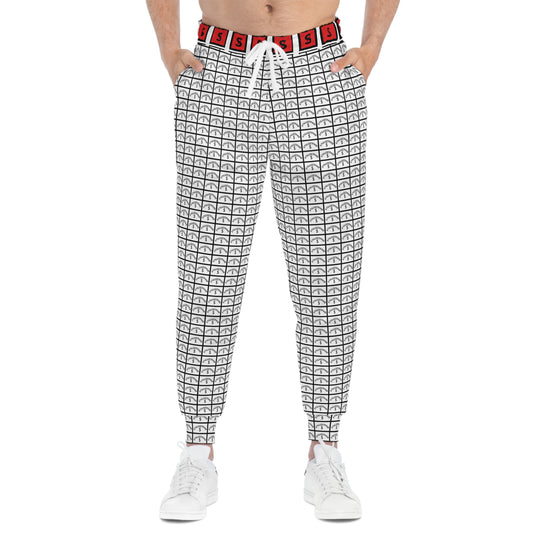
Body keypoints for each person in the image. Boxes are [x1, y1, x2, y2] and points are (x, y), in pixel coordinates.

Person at [146, 0, 399, 521]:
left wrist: (372, 46)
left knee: (328, 274)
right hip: (218, 69)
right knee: (207, 274)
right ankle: (197, 452)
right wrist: (169, 48)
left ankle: (324, 451)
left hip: (321, 69)